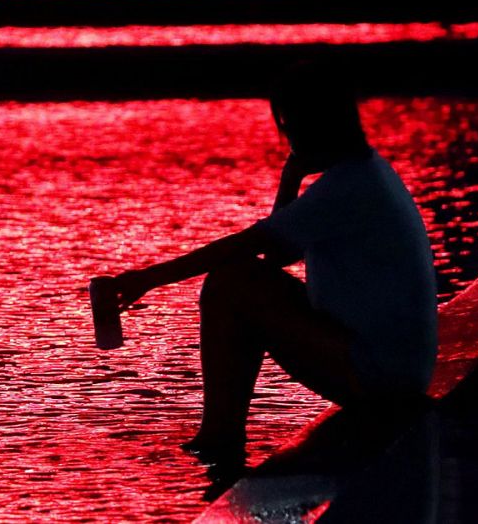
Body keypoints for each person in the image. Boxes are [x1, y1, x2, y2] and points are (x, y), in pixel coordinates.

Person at [111, 66, 438, 464]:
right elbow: (279, 255)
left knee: (230, 285)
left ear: (319, 121)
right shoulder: (362, 173)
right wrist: (291, 177)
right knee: (239, 281)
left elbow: (250, 245)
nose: (288, 134)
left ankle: (220, 434)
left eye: (291, 122)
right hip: (385, 362)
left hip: (382, 375)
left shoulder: (347, 187)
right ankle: (222, 431)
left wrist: (149, 278)